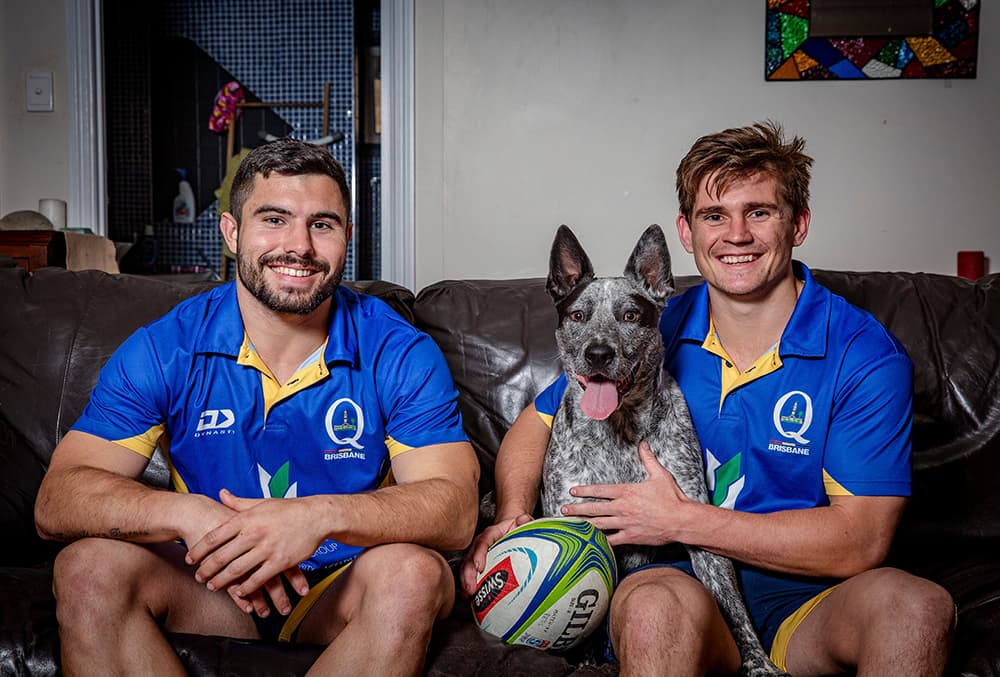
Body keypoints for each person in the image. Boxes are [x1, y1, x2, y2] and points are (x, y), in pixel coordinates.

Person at [460, 121, 955, 676]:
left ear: (800, 223)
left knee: (918, 607)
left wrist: (682, 520)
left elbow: (862, 542)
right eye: (714, 216)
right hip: (676, 588)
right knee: (654, 610)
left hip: (811, 600)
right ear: (687, 232)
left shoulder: (864, 355)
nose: (736, 235)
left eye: (760, 212)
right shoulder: (645, 326)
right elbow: (540, 420)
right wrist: (513, 517)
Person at [35, 138, 480, 677]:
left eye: (323, 224)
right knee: (87, 568)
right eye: (274, 219)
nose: (300, 247)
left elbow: (455, 511)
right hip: (212, 586)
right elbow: (59, 499)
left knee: (415, 575)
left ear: (347, 238)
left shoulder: (398, 350)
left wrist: (316, 518)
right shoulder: (165, 347)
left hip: (343, 587)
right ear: (231, 232)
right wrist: (190, 515)